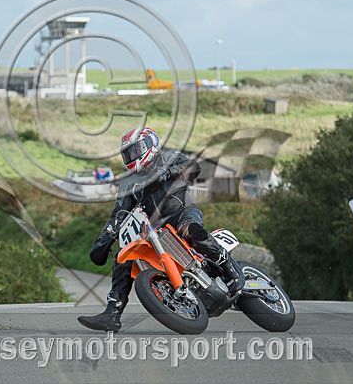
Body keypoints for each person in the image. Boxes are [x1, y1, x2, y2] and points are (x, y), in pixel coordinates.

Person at [77, 128, 240, 332]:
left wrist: (168, 173)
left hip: (182, 212)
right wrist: (103, 241)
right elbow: (119, 214)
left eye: (136, 151)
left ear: (150, 144)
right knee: (124, 257)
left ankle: (229, 266)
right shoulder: (129, 182)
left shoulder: (168, 157)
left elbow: (194, 167)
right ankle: (112, 313)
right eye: (128, 153)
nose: (132, 157)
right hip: (156, 230)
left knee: (189, 230)